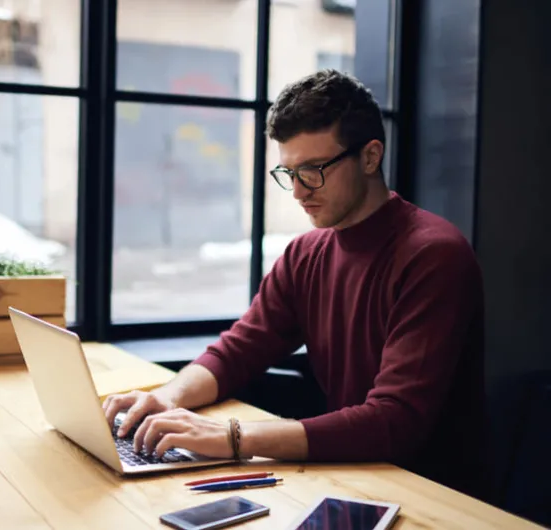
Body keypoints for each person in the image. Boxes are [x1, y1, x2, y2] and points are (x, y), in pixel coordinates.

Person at [102, 69, 487, 498]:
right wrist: (168, 398)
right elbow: (238, 351)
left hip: (430, 494)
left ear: (371, 156)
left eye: (314, 170)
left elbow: (395, 421)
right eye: (289, 172)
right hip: (351, 479)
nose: (299, 192)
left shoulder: (434, 255)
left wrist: (233, 438)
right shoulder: (306, 253)